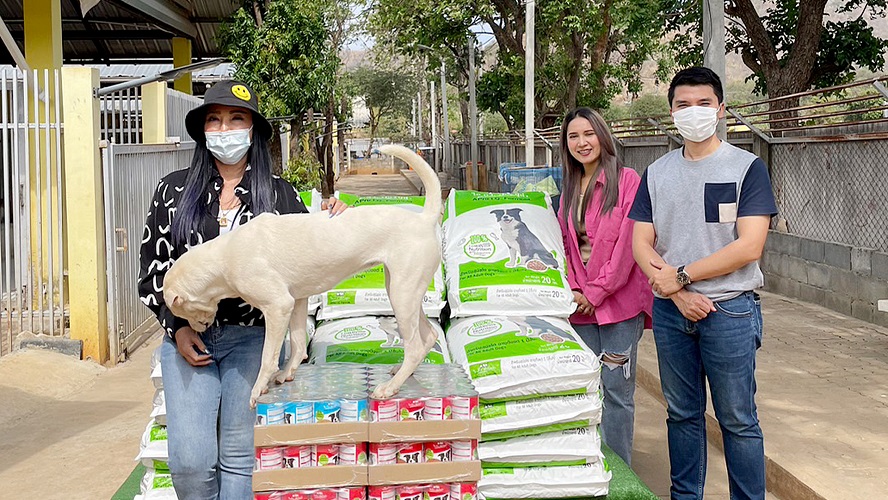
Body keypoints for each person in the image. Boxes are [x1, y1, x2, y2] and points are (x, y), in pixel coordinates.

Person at [138, 80, 347, 499]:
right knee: (191, 462)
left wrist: (334, 219)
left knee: (239, 457)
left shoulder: (280, 195)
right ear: (203, 131)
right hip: (188, 339)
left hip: (253, 339)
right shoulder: (172, 191)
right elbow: (152, 272)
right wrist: (176, 327)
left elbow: (309, 256)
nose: (224, 127)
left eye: (237, 118)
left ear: (253, 130)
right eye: (214, 119)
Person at [628, 67, 777, 500]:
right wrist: (678, 293)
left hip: (730, 310)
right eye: (683, 105)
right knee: (682, 415)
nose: (693, 112)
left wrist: (680, 277)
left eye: (703, 103)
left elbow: (749, 247)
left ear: (721, 109)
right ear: (671, 112)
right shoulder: (656, 172)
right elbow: (641, 241)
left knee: (737, 419)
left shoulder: (747, 168)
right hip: (674, 314)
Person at [556, 107, 653, 466]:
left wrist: (594, 293)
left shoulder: (627, 181)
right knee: (586, 387)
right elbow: (565, 246)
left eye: (588, 134)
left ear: (602, 136)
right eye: (573, 136)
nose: (581, 143)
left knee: (617, 390)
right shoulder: (568, 185)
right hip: (580, 308)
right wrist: (574, 291)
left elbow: (628, 248)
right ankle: (586, 464)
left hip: (619, 308)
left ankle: (618, 467)